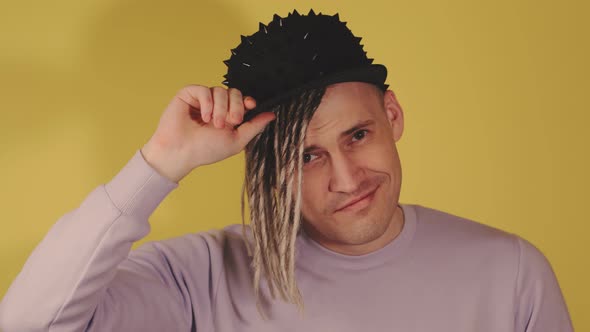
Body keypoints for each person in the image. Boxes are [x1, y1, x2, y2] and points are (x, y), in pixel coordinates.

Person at [0, 9, 573, 332]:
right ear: (268, 169)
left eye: (358, 135)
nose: (347, 179)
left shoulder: (510, 273)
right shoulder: (199, 276)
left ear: (392, 115)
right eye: (306, 156)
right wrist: (159, 164)